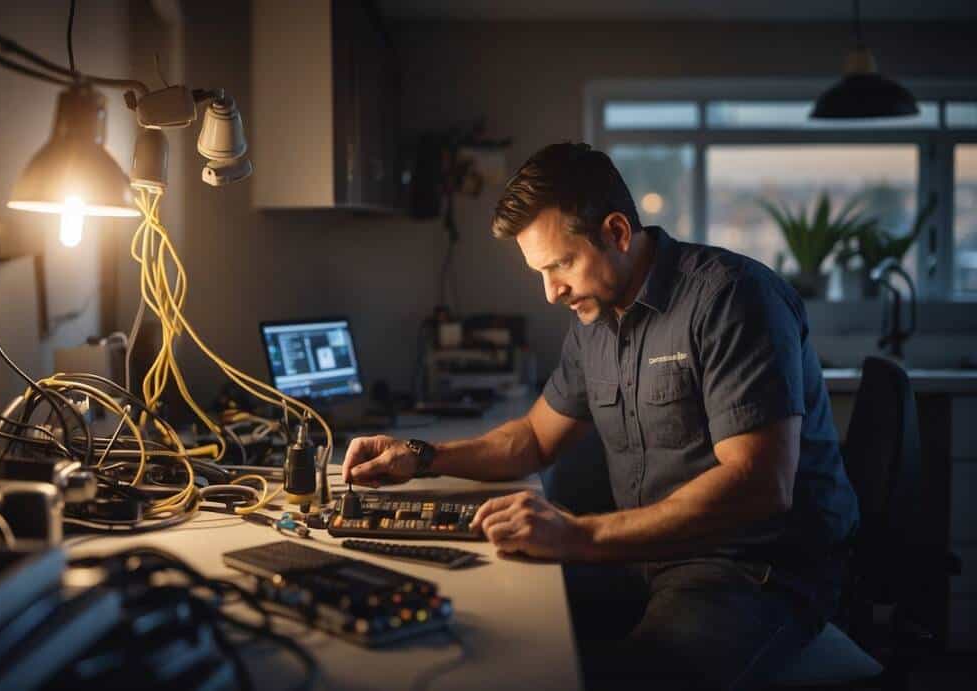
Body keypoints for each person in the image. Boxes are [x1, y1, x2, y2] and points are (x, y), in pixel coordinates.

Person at [341, 142, 860, 690]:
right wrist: (422, 457)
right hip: (646, 554)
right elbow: (533, 439)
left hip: (753, 570)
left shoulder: (732, 299)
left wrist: (579, 536)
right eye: (539, 271)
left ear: (616, 233)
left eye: (560, 264)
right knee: (490, 636)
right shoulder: (594, 319)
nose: (550, 292)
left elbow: (759, 485)